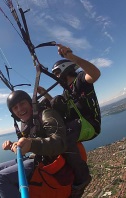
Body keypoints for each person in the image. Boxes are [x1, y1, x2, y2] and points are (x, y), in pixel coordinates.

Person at [38, 44, 101, 197]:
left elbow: (95, 74)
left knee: (63, 136)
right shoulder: (67, 92)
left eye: (57, 72)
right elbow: (56, 103)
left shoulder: (80, 81)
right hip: (78, 125)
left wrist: (71, 56)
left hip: (90, 125)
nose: (55, 76)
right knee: (55, 113)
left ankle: (82, 177)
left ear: (65, 69)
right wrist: (44, 93)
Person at [0, 90, 68, 198]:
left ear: (30, 103)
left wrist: (31, 145)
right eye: (15, 107)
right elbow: (26, 144)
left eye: (22, 103)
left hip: (49, 160)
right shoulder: (25, 123)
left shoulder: (46, 114)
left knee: (1, 178)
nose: (20, 109)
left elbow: (60, 142)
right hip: (37, 157)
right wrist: (13, 145)